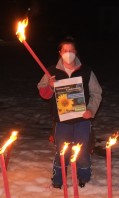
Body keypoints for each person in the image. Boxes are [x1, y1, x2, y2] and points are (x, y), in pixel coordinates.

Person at [37, 37, 102, 189]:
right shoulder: (51, 72)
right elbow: (43, 94)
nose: (68, 53)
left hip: (82, 119)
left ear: (76, 52)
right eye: (65, 51)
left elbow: (97, 93)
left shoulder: (86, 71)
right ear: (60, 53)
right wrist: (50, 86)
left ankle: (83, 177)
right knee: (62, 150)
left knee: (82, 148)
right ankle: (58, 179)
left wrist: (91, 110)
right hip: (61, 120)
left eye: (71, 50)